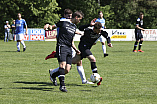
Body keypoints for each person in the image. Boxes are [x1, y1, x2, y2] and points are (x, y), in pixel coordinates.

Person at [51, 22, 113, 92]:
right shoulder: (88, 30)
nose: (99, 31)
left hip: (87, 48)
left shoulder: (101, 32)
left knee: (71, 62)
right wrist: (89, 24)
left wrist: (109, 42)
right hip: (83, 47)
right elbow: (80, 28)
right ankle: (96, 75)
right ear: (94, 29)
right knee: (92, 59)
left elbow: (107, 36)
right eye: (98, 30)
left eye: (100, 30)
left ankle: (53, 72)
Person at [44, 9, 93, 85]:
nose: (80, 21)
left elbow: (74, 35)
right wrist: (47, 25)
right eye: (79, 19)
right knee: (66, 64)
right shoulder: (63, 22)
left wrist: (76, 48)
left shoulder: (73, 26)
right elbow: (52, 27)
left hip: (69, 47)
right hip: (62, 45)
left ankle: (53, 73)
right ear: (76, 17)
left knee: (67, 69)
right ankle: (63, 85)